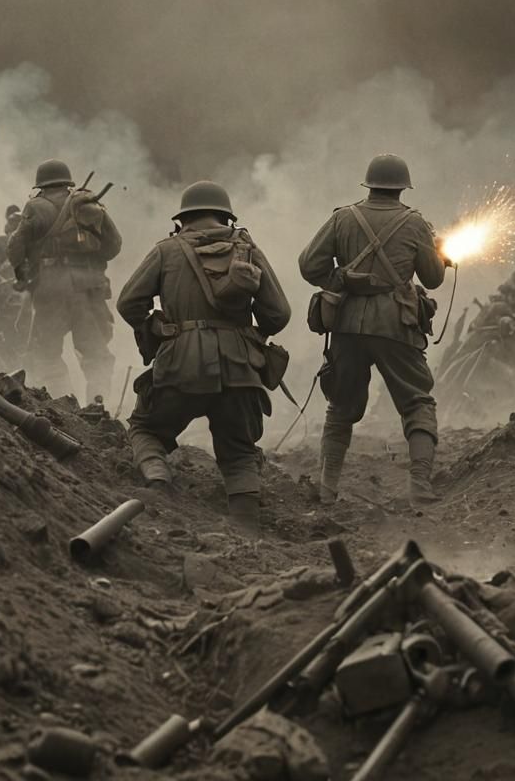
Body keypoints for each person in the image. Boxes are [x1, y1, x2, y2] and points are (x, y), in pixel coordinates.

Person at [116, 181, 290, 535]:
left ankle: (157, 479)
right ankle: (247, 533)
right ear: (225, 216)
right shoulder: (247, 250)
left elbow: (128, 302)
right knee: (240, 451)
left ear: (182, 220)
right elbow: (279, 314)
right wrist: (247, 335)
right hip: (241, 368)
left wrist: (160, 328)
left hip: (181, 363)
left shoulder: (167, 250)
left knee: (146, 428)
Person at [299, 154, 450, 505]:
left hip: (347, 324)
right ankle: (420, 487)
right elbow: (433, 278)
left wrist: (341, 279)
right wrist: (439, 253)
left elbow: (309, 266)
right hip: (397, 324)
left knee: (340, 406)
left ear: (369, 185)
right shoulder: (416, 224)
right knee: (416, 402)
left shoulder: (343, 218)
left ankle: (326, 490)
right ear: (402, 188)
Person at [7, 160, 121, 402]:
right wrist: (88, 259)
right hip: (90, 290)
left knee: (47, 352)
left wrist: (22, 271)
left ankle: (62, 405)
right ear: (67, 181)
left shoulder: (35, 207)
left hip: (51, 290)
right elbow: (114, 245)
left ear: (41, 185)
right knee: (96, 354)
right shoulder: (89, 204)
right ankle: (99, 407)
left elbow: (15, 247)